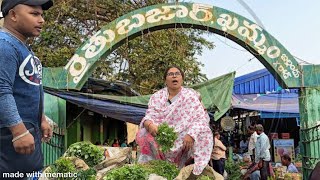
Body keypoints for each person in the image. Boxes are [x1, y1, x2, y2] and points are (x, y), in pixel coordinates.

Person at [0, 0, 53, 179]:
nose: (42, 20)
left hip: (27, 136)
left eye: (42, 15)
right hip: (8, 140)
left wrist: (42, 117)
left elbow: (34, 87)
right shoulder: (4, 45)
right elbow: (1, 90)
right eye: (34, 14)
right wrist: (19, 131)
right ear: (13, 15)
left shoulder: (24, 48)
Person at [136, 66, 213, 176]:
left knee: (203, 133)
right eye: (170, 74)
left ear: (182, 78)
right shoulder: (157, 97)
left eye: (177, 74)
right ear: (165, 80)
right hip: (162, 136)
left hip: (184, 136)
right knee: (143, 134)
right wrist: (150, 125)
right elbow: (149, 116)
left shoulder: (190, 96)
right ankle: (150, 170)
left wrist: (191, 134)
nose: (174, 76)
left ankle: (196, 172)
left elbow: (201, 118)